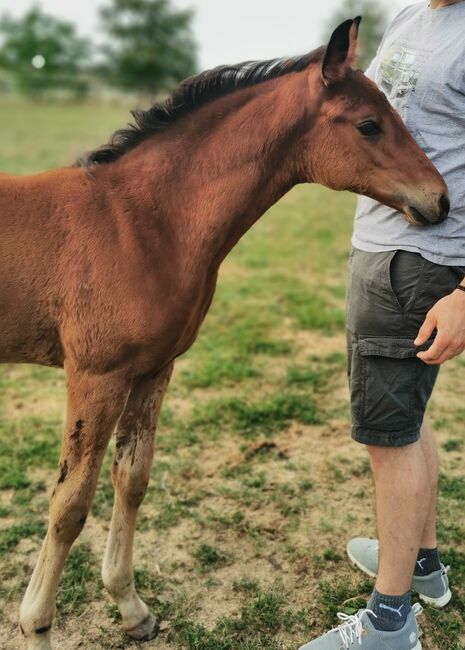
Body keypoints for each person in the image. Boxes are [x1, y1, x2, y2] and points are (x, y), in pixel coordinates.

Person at [299, 1, 465, 648]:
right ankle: (421, 567)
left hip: (422, 261)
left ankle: (388, 624)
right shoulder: (406, 18)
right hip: (378, 250)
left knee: (387, 439)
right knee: (404, 423)